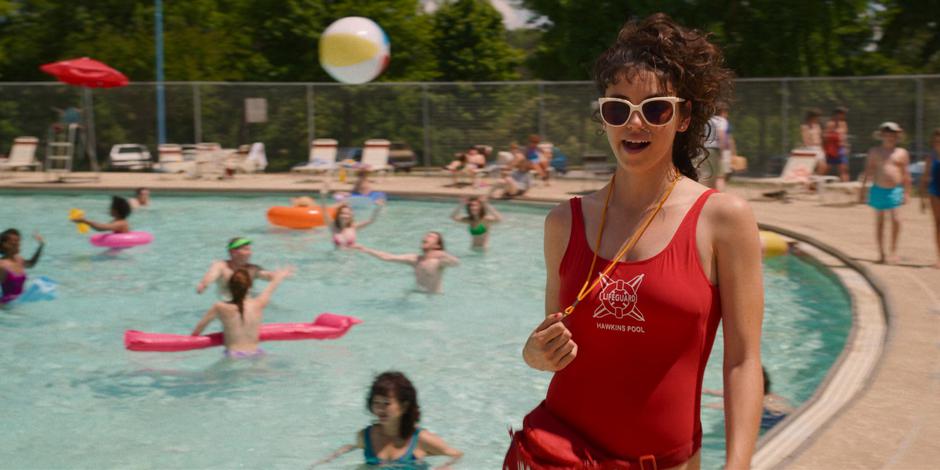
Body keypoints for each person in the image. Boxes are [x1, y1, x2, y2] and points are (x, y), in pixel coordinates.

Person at [507, 14, 764, 470]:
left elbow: (743, 362)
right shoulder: (563, 223)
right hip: (558, 455)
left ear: (684, 117)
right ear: (603, 118)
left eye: (656, 108)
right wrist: (533, 353)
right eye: (618, 108)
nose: (635, 122)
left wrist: (738, 465)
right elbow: (553, 343)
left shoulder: (723, 221)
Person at [312, 371, 463, 468]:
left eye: (386, 403)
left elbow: (457, 455)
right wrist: (333, 456)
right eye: (376, 403)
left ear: (404, 406)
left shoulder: (421, 439)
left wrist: (444, 467)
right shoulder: (366, 437)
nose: (380, 409)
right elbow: (355, 446)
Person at [191, 266, 294, 358]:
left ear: (230, 287)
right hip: (257, 354)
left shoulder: (220, 307)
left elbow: (197, 332)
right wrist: (281, 275)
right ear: (249, 286)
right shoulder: (259, 303)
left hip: (233, 356)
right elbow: (272, 285)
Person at [859, 122, 912, 264]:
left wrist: (907, 192)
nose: (889, 136)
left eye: (892, 134)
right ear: (881, 135)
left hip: (895, 190)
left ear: (897, 136)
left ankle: (893, 251)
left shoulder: (902, 153)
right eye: (886, 133)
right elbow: (868, 171)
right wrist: (863, 190)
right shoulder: (874, 151)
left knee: (896, 220)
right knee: (880, 222)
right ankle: (881, 253)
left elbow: (906, 174)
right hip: (878, 189)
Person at [353, 232, 459, 294]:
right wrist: (365, 249)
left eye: (431, 237)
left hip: (435, 299)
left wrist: (442, 254)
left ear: (437, 245)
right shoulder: (415, 259)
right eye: (426, 236)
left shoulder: (439, 262)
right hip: (417, 295)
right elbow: (387, 257)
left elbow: (456, 263)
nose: (426, 237)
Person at [703, 366, 795, 432]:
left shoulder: (747, 403)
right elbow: (732, 392)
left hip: (774, 422)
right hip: (786, 417)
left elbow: (720, 405)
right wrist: (708, 391)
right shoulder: (770, 395)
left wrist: (703, 405)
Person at [196, 238, 273, 297]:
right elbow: (211, 276)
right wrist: (204, 285)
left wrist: (282, 274)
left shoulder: (253, 269)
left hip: (250, 302)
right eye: (246, 249)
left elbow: (269, 276)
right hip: (228, 304)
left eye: (250, 249)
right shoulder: (221, 266)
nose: (250, 253)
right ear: (233, 252)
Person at [0, 229, 44, 304]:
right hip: (6, 307)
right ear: (5, 244)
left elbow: (31, 264)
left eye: (19, 241)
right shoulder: (2, 265)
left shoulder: (19, 259)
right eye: (15, 241)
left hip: (20, 302)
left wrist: (41, 246)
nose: (19, 244)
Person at [920, 129, 940, 268]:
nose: (937, 143)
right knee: (938, 225)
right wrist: (922, 198)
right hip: (935, 192)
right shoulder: (931, 157)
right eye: (935, 141)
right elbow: (925, 177)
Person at [701, 102, 731, 190]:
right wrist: (722, 152)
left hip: (704, 149)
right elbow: (721, 135)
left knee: (706, 174)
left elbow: (701, 136)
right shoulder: (721, 120)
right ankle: (719, 196)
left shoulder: (708, 120)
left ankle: (705, 194)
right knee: (719, 175)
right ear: (723, 111)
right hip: (714, 149)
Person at [823, 106, 850, 182]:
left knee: (843, 168)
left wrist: (846, 146)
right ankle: (817, 183)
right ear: (837, 114)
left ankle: (846, 185)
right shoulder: (830, 124)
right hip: (832, 149)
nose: (844, 116)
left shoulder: (843, 124)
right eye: (843, 114)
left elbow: (844, 137)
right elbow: (825, 137)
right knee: (827, 168)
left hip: (841, 149)